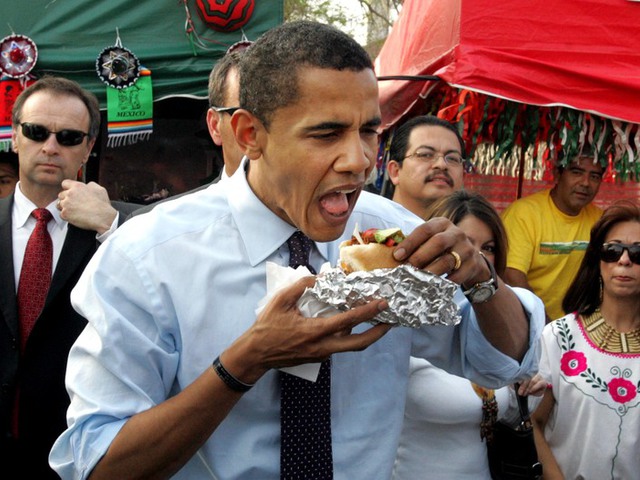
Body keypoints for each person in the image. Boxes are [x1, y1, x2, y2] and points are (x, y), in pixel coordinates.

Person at [50, 21, 543, 480]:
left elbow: (505, 363)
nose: (358, 161)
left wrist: (481, 279)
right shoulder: (148, 255)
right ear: (250, 135)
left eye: (369, 131)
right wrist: (244, 362)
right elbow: (99, 461)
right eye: (326, 133)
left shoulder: (392, 234)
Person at [0, 76, 138, 479]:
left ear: (89, 147)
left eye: (69, 136)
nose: (50, 146)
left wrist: (110, 224)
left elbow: (167, 294)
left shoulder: (126, 226)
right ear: (14, 137)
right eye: (37, 131)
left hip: (78, 445)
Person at [393, 190, 542, 479]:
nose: (474, 258)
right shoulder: (410, 328)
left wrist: (524, 389)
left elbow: (506, 417)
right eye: (465, 244)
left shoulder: (508, 331)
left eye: (488, 248)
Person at [531, 200, 640, 479]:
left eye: (638, 253)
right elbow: (535, 421)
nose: (624, 260)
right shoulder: (559, 337)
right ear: (597, 260)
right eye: (612, 251)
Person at [501, 153, 605, 321]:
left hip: (578, 327)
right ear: (558, 174)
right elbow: (511, 275)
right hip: (526, 323)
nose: (585, 183)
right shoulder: (524, 214)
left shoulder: (599, 219)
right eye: (577, 172)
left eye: (594, 176)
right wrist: (546, 325)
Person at [385, 114, 465, 218]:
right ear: (395, 171)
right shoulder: (363, 224)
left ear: (463, 176)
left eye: (452, 158)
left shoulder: (473, 233)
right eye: (426, 155)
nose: (441, 165)